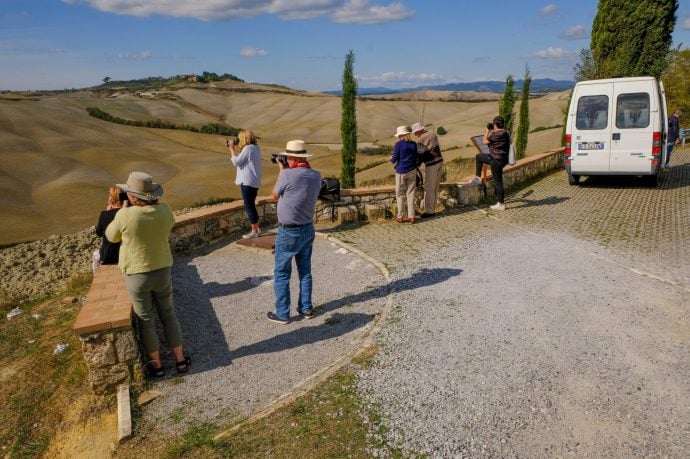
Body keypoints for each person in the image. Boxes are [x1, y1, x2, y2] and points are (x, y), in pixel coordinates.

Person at [105, 171, 190, 377]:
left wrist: (117, 212)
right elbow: (168, 225)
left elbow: (111, 236)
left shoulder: (125, 215)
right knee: (168, 314)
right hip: (162, 270)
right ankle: (180, 360)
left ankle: (157, 365)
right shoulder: (165, 211)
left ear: (133, 197)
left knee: (146, 319)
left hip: (137, 274)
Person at [267, 140, 322, 325]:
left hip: (289, 231)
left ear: (291, 157)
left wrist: (281, 169)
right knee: (305, 271)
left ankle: (282, 313)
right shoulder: (316, 175)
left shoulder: (287, 175)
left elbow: (274, 195)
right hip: (308, 228)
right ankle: (306, 308)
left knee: (282, 272)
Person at [470, 116, 510, 211]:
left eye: (494, 124)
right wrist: (493, 130)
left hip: (495, 160)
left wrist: (487, 131)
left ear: (495, 124)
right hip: (502, 159)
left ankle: (501, 204)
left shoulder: (495, 135)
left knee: (498, 182)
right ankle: (478, 178)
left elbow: (484, 141)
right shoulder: (505, 132)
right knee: (479, 157)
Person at [228, 129, 263, 238]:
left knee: (249, 206)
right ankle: (257, 228)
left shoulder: (248, 148)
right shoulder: (255, 148)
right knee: (251, 205)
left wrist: (231, 149)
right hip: (254, 181)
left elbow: (236, 162)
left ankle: (254, 231)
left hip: (247, 182)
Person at [411, 122, 444, 218]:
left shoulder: (422, 139)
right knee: (435, 187)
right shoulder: (433, 134)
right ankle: (432, 209)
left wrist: (415, 165)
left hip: (431, 164)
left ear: (419, 130)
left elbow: (420, 155)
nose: (414, 134)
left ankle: (429, 211)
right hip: (440, 161)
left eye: (415, 132)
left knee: (429, 188)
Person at [92, 186, 125, 273]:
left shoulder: (104, 215)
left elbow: (98, 233)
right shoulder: (127, 213)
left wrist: (107, 212)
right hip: (124, 252)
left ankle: (96, 274)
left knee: (95, 255)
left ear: (111, 199)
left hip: (109, 255)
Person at [390, 126, 419, 223]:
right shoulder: (414, 144)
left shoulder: (398, 144)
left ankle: (400, 216)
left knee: (400, 194)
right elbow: (416, 157)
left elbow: (394, 160)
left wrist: (391, 158)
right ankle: (412, 216)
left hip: (401, 171)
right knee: (411, 194)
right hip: (412, 170)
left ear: (401, 135)